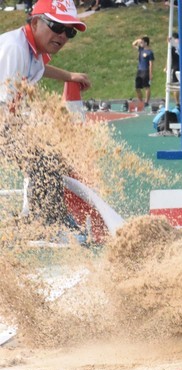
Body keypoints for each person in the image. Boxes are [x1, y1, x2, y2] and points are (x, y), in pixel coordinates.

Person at [0, 0, 90, 233]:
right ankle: (45, 224)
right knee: (44, 155)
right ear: (36, 21)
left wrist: (69, 75)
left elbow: (38, 68)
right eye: (57, 27)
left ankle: (42, 217)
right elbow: (4, 110)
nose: (62, 36)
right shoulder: (15, 48)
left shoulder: (31, 49)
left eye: (69, 32)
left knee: (46, 153)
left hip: (6, 119)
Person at [132, 36, 154, 107]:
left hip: (146, 70)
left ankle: (146, 101)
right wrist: (138, 39)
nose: (140, 43)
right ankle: (141, 101)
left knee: (146, 86)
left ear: (146, 43)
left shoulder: (149, 52)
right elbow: (133, 44)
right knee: (137, 87)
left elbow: (151, 64)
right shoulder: (141, 49)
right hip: (139, 70)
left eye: (142, 42)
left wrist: (150, 73)